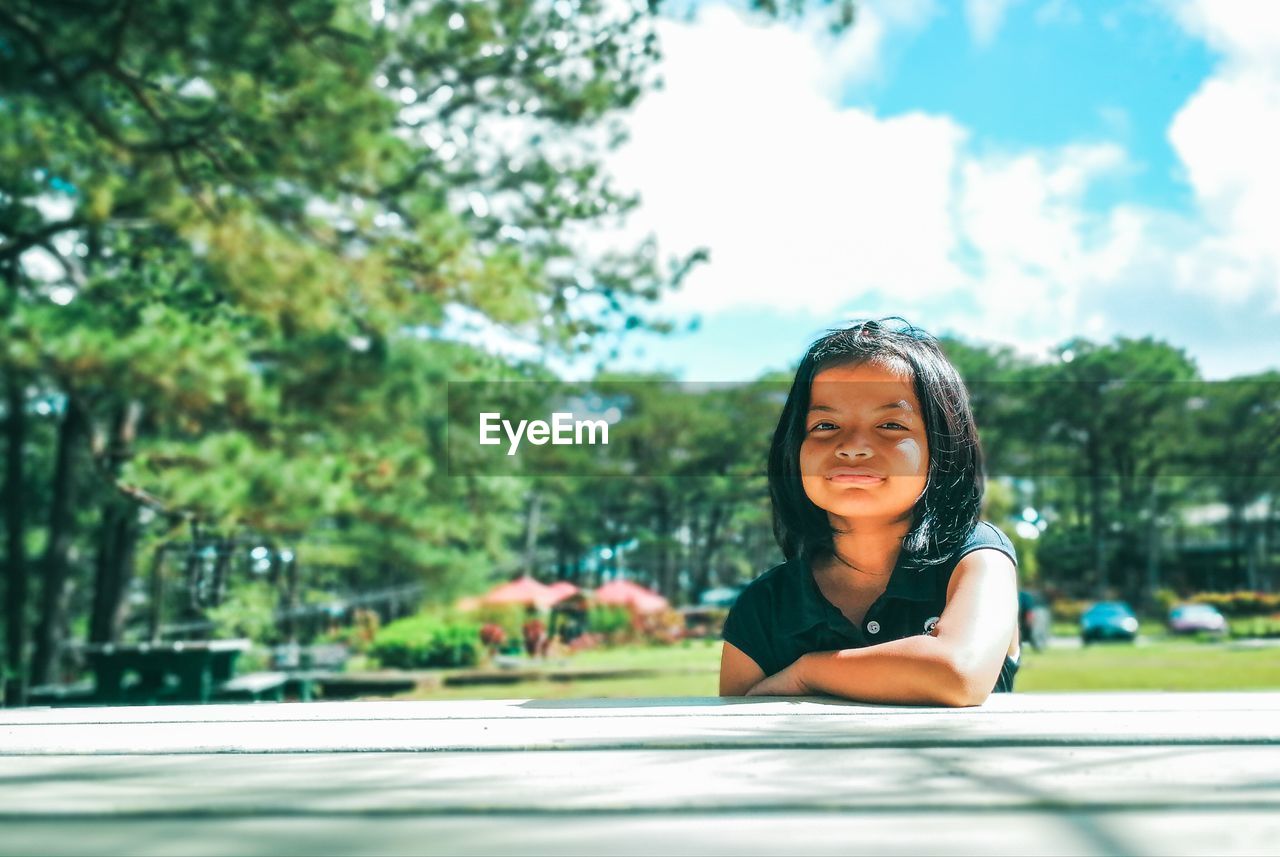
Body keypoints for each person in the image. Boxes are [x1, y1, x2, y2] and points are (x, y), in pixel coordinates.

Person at [719, 318, 1021, 706]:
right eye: (826, 425)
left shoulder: (979, 555)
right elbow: (732, 739)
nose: (853, 447)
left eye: (891, 425)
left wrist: (807, 673)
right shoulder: (766, 605)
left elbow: (958, 672)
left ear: (942, 448)